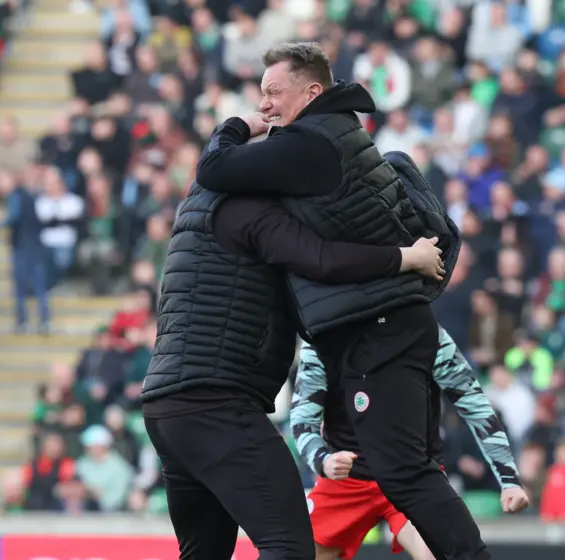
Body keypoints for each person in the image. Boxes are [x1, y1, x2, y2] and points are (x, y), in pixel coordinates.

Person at [195, 41, 485, 559]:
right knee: (403, 472)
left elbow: (215, 170)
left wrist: (235, 128)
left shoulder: (311, 144)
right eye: (260, 95)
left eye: (273, 93)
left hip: (380, 330)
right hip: (380, 326)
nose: (264, 104)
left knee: (406, 473)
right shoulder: (335, 133)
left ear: (311, 92)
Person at [141, 160, 445, 557]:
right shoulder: (252, 212)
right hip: (215, 404)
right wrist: (406, 258)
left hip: (165, 405)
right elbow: (322, 259)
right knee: (290, 546)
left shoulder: (198, 213)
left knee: (204, 553)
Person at [291, 327, 530, 560]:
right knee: (300, 553)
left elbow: (475, 405)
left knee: (434, 554)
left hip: (414, 474)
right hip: (347, 478)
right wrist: (322, 459)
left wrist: (509, 479)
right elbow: (302, 419)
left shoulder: (426, 333)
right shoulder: (323, 337)